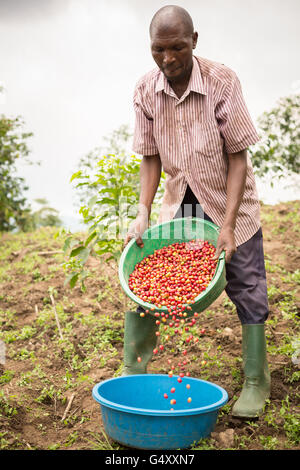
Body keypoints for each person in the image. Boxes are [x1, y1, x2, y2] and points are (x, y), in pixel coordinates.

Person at [122, 5, 270, 418]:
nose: (168, 59)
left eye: (177, 48)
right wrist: (142, 212)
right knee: (147, 278)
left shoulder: (222, 81)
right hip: (179, 199)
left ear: (194, 42)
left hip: (228, 200)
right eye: (158, 50)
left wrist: (226, 225)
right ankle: (132, 370)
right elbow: (150, 156)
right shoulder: (144, 90)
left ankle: (257, 380)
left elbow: (238, 157)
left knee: (247, 285)